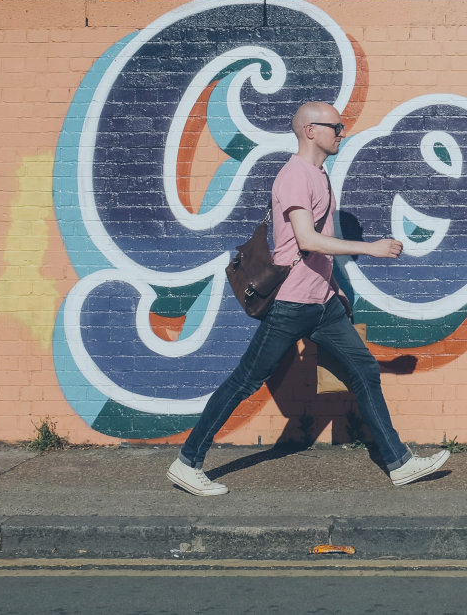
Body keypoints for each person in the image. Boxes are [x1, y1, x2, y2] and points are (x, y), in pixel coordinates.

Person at [166, 101, 450, 496]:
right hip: (292, 304)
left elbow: (314, 251)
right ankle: (187, 462)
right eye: (336, 126)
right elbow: (306, 239)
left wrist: (331, 288)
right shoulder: (294, 176)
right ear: (310, 130)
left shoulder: (318, 175)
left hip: (322, 305)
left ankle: (398, 463)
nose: (342, 132)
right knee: (246, 381)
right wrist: (370, 249)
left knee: (364, 369)